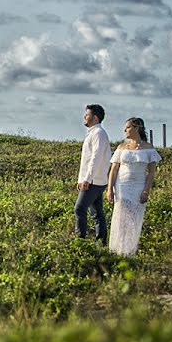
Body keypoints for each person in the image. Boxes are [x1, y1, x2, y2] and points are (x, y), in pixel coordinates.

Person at [106, 117, 161, 256]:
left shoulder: (148, 148)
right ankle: (117, 251)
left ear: (137, 128)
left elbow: (151, 172)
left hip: (138, 185)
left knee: (134, 218)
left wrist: (146, 191)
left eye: (128, 127)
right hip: (122, 186)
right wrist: (109, 189)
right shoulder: (121, 147)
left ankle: (130, 251)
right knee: (120, 218)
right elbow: (114, 169)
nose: (125, 130)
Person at [75, 104, 111, 243]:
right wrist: (82, 178)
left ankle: (80, 242)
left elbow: (95, 158)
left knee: (79, 208)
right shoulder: (94, 133)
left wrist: (87, 179)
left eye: (87, 114)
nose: (85, 116)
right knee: (96, 212)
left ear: (95, 117)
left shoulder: (98, 134)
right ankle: (101, 242)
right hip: (93, 179)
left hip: (94, 180)